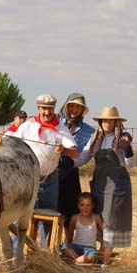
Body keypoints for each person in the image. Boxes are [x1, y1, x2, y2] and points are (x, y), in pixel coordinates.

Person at [13, 94, 79, 246]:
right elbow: (13, 146)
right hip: (28, 179)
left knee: (49, 216)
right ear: (38, 108)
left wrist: (63, 150)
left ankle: (46, 255)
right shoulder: (27, 127)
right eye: (44, 108)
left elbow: (75, 152)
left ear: (54, 109)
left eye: (50, 109)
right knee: (21, 216)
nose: (47, 112)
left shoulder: (61, 129)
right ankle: (17, 252)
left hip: (50, 179)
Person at [75, 106, 135, 264]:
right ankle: (101, 259)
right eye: (104, 120)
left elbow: (131, 164)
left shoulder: (122, 139)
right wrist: (64, 159)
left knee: (111, 223)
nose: (107, 123)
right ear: (100, 122)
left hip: (117, 186)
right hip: (99, 185)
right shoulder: (95, 138)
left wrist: (127, 150)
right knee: (100, 220)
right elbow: (82, 159)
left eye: (110, 120)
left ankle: (104, 264)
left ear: (116, 122)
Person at [57, 93, 95, 229]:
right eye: (71, 106)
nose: (74, 109)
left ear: (82, 110)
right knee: (49, 210)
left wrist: (72, 162)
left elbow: (86, 154)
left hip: (70, 173)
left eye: (78, 107)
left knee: (70, 211)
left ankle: (67, 244)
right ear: (66, 107)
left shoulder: (89, 131)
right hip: (51, 171)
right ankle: (48, 245)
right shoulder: (55, 122)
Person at [61, 192, 104, 264]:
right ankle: (79, 259)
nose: (85, 208)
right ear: (78, 206)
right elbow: (70, 235)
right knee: (63, 247)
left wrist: (101, 249)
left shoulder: (96, 218)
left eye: (88, 205)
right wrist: (68, 248)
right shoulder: (75, 218)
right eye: (82, 205)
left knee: (93, 255)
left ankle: (75, 261)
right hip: (75, 246)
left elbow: (105, 233)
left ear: (92, 206)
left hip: (90, 249)